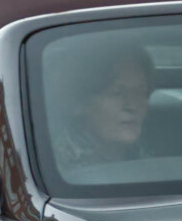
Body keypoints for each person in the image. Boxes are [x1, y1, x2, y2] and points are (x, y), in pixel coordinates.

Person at [58, 42, 154, 171]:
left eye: (140, 91)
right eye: (117, 92)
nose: (132, 104)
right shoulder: (58, 167)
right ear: (81, 103)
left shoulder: (142, 154)